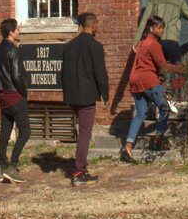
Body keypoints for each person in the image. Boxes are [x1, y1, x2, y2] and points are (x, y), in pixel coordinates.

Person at [60, 11, 110, 185]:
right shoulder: (95, 46)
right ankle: (79, 171)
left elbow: (63, 72)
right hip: (86, 95)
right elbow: (100, 73)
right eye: (97, 25)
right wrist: (105, 94)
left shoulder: (69, 45)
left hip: (72, 95)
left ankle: (81, 168)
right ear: (93, 25)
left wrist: (65, 93)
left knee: (82, 131)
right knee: (85, 133)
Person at [120, 16, 170, 164]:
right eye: (159, 27)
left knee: (140, 114)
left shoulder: (141, 43)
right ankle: (158, 139)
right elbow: (163, 65)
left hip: (135, 80)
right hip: (148, 80)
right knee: (164, 108)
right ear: (151, 28)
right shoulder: (153, 44)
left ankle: (127, 147)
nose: (162, 30)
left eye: (163, 27)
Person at [0, 17, 29, 184]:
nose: (19, 30)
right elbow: (17, 75)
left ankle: (1, 167)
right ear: (11, 32)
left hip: (2, 96)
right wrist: (24, 92)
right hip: (14, 96)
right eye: (17, 28)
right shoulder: (13, 51)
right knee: (25, 131)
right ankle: (12, 166)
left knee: (5, 133)